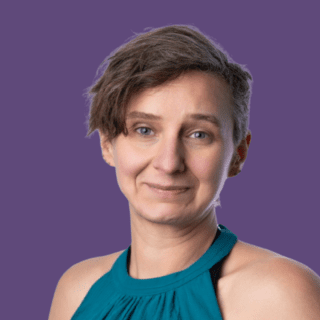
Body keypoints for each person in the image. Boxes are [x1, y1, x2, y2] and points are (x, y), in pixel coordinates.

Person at [48, 24, 320, 320]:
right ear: (107, 144)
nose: (168, 163)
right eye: (144, 130)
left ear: (238, 154)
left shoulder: (279, 294)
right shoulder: (77, 289)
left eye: (199, 134)